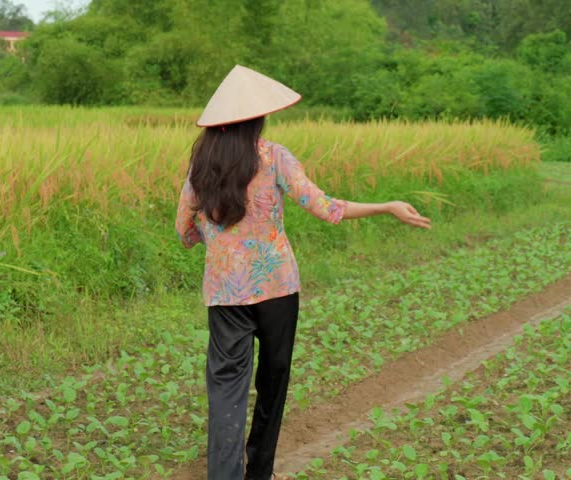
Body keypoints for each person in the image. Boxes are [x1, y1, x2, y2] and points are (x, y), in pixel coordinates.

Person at [175, 65, 431, 480]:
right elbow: (326, 207)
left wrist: (220, 244)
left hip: (225, 294)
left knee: (226, 390)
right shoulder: (274, 156)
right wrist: (387, 206)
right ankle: (261, 473)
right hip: (278, 290)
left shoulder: (200, 167)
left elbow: (184, 231)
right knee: (273, 384)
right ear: (257, 118)